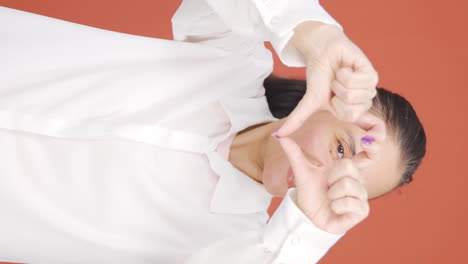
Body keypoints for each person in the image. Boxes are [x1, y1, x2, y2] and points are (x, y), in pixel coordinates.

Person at [0, 0, 425, 264]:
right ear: (328, 99)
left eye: (345, 190)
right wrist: (314, 34)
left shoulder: (229, 244)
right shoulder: (230, 60)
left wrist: (310, 232)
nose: (326, 178)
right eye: (340, 149)